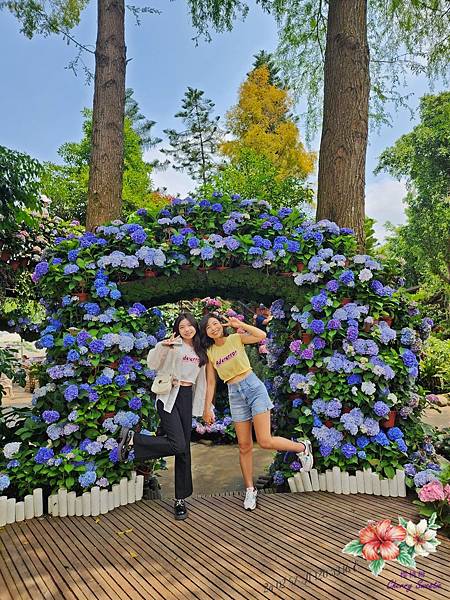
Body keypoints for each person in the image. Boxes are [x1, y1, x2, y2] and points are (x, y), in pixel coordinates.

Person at [199, 313, 313, 512]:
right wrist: (207, 408)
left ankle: (301, 447)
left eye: (216, 323)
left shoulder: (235, 338)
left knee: (265, 441)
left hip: (253, 387)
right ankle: (250, 490)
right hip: (234, 394)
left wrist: (240, 324)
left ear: (221, 325)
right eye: (209, 327)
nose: (214, 328)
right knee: (244, 446)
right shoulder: (210, 352)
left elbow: (261, 335)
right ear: (205, 333)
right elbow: (210, 382)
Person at [118, 312, 207, 520]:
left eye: (190, 325)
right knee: (178, 445)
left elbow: (201, 381)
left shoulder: (201, 350)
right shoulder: (171, 344)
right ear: (177, 329)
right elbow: (153, 363)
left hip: (186, 397)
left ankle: (180, 500)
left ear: (195, 327)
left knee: (184, 450)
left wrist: (202, 408)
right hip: (168, 396)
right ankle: (135, 440)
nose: (187, 329)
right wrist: (162, 347)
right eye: (182, 326)